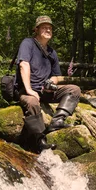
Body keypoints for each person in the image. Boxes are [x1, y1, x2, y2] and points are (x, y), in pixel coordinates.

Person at [15, 16, 81, 153]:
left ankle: (57, 121)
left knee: (74, 89)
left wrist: (51, 84)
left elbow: (56, 76)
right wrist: (29, 89)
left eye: (50, 28)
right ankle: (41, 140)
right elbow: (24, 64)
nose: (48, 29)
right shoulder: (28, 43)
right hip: (27, 90)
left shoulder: (52, 52)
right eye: (44, 27)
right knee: (33, 103)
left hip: (45, 91)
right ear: (36, 29)